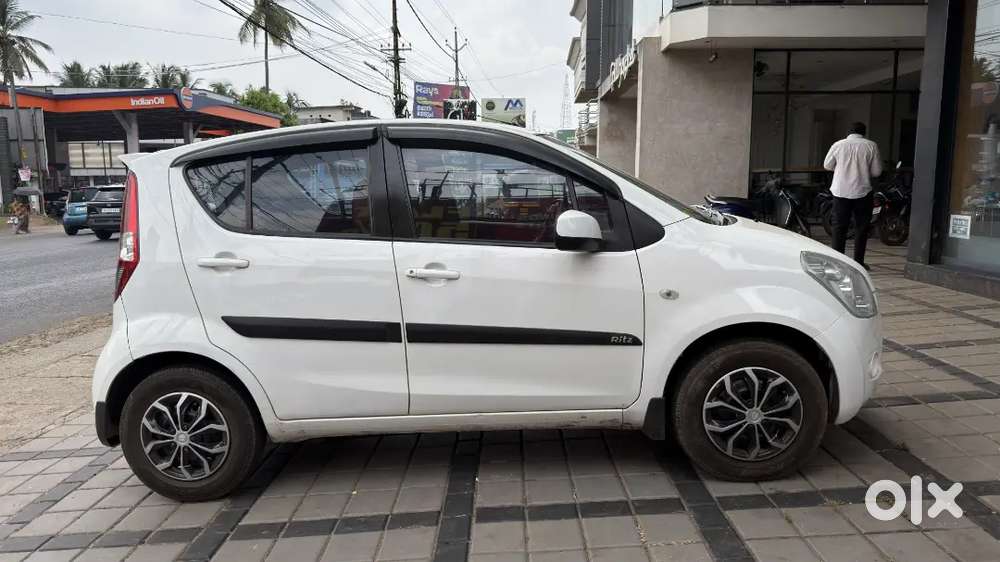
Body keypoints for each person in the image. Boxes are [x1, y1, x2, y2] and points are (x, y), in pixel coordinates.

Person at [823, 122, 883, 269]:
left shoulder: (838, 145)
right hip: (862, 192)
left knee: (839, 227)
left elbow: (827, 165)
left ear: (848, 132)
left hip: (840, 191)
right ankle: (858, 263)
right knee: (861, 228)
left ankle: (837, 262)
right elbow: (877, 172)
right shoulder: (871, 145)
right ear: (864, 132)